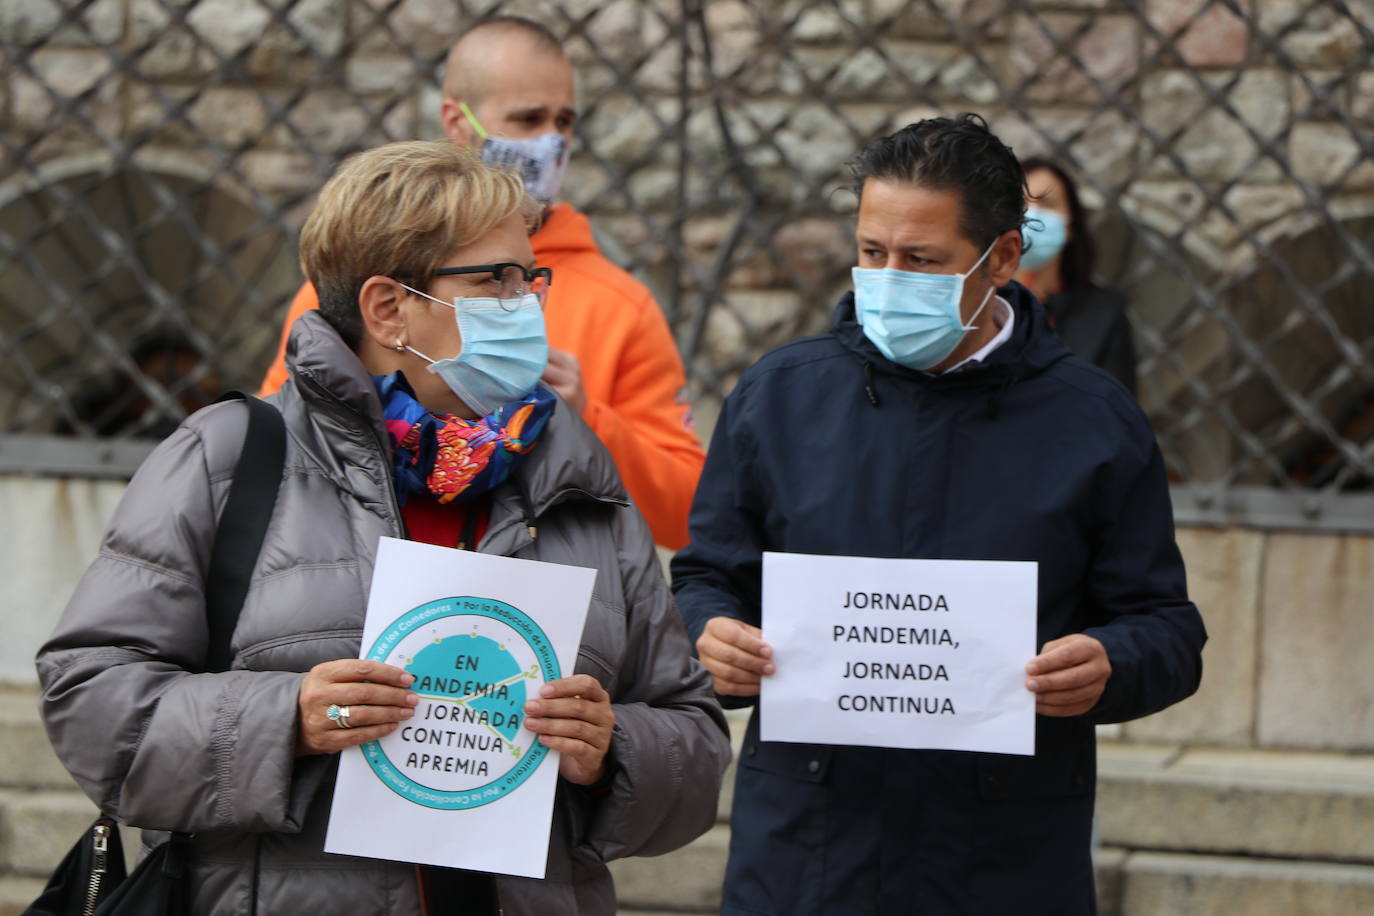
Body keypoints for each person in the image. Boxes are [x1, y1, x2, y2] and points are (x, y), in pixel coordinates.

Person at [37, 140, 730, 916]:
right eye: (495, 279)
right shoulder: (229, 457)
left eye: (530, 276)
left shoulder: (576, 478)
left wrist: (613, 752)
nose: (529, 302)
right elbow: (91, 703)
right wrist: (285, 719)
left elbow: (696, 746)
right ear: (388, 308)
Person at [671, 115, 1206, 915]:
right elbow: (704, 578)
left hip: (1003, 860)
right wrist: (710, 636)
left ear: (1002, 259)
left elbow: (1166, 626)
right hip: (810, 856)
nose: (888, 279)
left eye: (921, 260)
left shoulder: (1092, 420)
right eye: (871, 252)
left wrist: (1109, 662)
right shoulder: (780, 397)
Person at [259, 16, 705, 549]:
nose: (552, 140)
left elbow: (688, 515)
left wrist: (589, 419)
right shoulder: (354, 280)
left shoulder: (621, 306)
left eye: (564, 120)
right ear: (457, 121)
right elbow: (278, 458)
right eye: (528, 118)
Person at [1015, 156, 1138, 394]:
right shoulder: (974, 302)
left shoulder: (1103, 312)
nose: (1032, 215)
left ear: (1070, 224)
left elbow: (1118, 411)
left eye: (1047, 203)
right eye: (1019, 203)